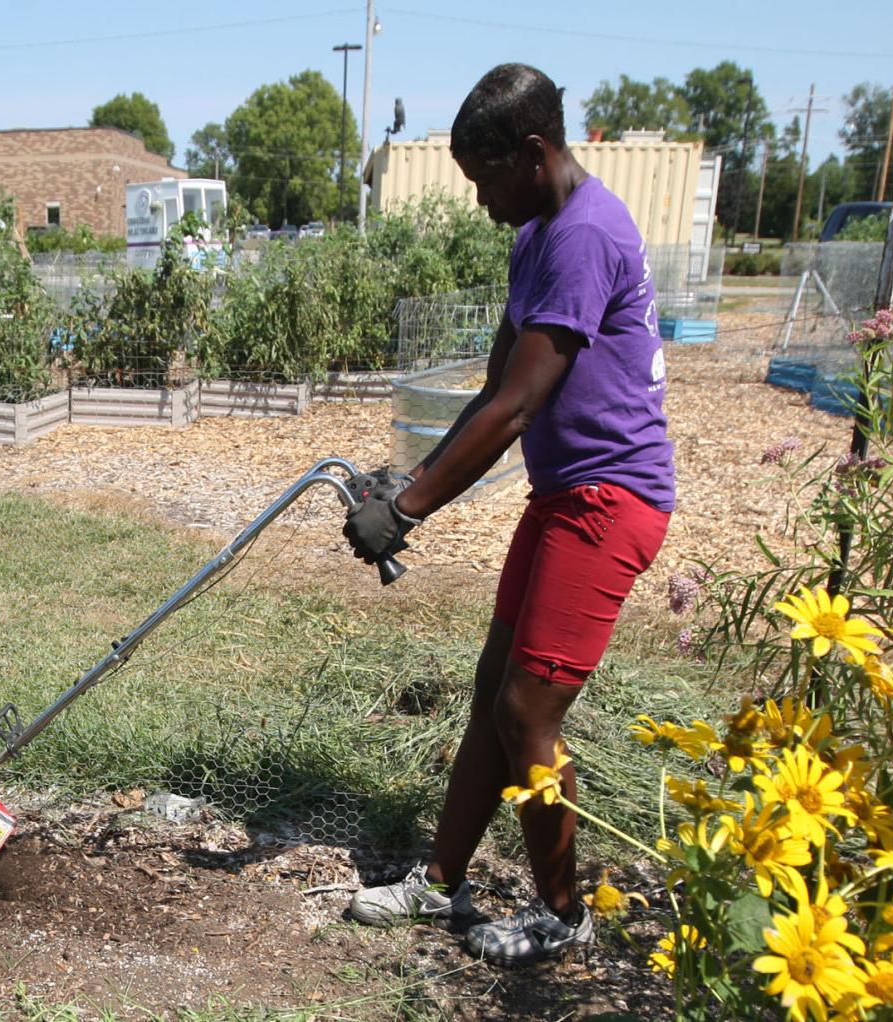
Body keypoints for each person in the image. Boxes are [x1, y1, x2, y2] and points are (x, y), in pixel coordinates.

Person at [343, 63, 676, 968]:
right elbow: (492, 388)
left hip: (610, 499)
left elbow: (521, 405)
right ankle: (441, 884)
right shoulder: (536, 233)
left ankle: (563, 915)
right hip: (564, 494)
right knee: (496, 693)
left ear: (532, 153)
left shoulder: (582, 235)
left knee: (528, 710)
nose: (481, 201)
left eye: (485, 178)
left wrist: (403, 511)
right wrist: (402, 480)